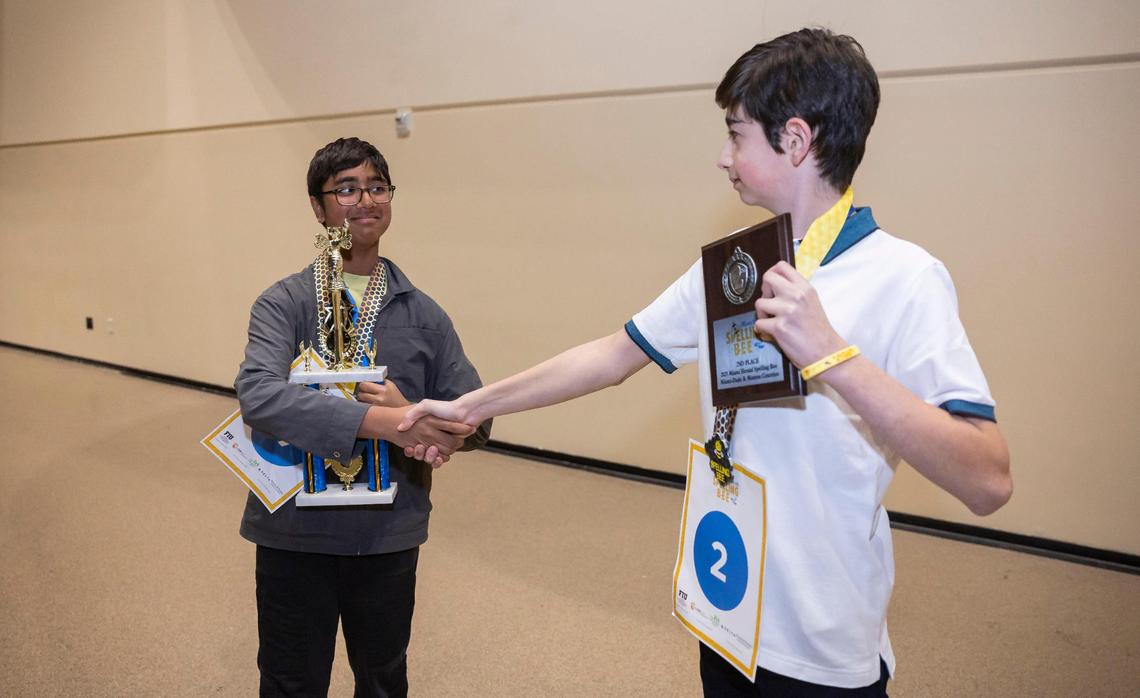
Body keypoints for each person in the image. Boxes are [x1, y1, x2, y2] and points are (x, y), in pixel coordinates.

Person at [399, 28, 1012, 695]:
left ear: (796, 140)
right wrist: (472, 405)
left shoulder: (905, 277)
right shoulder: (733, 267)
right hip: (727, 612)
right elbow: (611, 355)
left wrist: (831, 355)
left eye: (737, 134)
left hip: (821, 648)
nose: (723, 158)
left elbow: (987, 480)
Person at [235, 136, 491, 697]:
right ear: (318, 206)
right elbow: (258, 395)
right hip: (293, 534)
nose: (365, 200)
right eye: (346, 189)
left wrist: (418, 412)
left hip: (385, 534)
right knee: (290, 681)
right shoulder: (285, 303)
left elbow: (476, 419)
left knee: (382, 679)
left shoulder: (423, 314)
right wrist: (385, 422)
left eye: (377, 187)